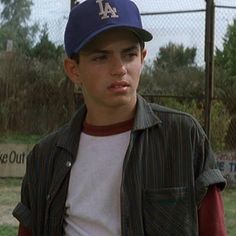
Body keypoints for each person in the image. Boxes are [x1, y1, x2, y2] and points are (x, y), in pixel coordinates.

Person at [13, 0, 227, 235]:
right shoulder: (45, 158)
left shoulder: (184, 137)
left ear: (142, 58)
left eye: (129, 54)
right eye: (101, 57)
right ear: (74, 69)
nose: (119, 68)